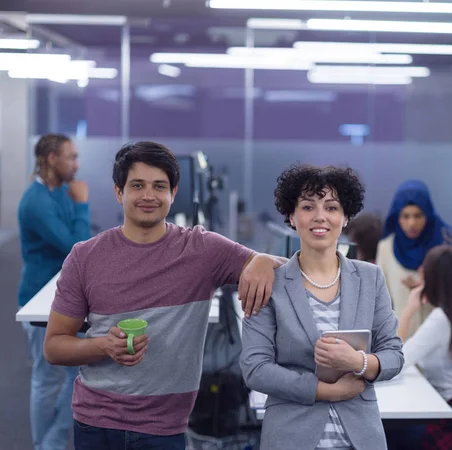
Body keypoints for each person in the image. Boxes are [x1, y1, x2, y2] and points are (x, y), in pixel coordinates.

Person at [43, 141, 284, 450]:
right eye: (137, 185)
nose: (148, 195)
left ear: (173, 193)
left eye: (159, 186)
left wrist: (261, 259)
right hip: (96, 422)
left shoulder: (202, 251)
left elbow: (283, 268)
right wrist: (104, 345)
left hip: (164, 428)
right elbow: (54, 346)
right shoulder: (85, 257)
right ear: (119, 192)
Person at [240, 165, 404, 450]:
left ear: (345, 217)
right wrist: (327, 391)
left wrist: (358, 363)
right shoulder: (270, 283)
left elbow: (393, 355)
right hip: (291, 437)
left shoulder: (370, 278)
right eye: (307, 207)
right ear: (292, 217)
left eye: (331, 207)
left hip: (360, 439)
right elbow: (256, 368)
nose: (320, 216)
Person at [18, 133, 90, 450]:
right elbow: (74, 248)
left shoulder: (58, 192)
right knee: (47, 379)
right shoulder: (36, 201)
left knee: (79, 372)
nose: (77, 163)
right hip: (39, 300)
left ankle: (53, 440)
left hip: (63, 297)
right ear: (52, 159)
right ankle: (46, 444)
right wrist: (83, 204)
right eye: (71, 157)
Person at [398, 245, 452, 450]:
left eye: (425, 269)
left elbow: (398, 361)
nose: (420, 270)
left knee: (391, 434)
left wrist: (409, 310)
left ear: (433, 278)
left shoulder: (441, 319)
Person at [377, 180, 452, 338]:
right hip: (402, 338)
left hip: (443, 339)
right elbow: (381, 298)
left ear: (428, 214)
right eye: (405, 216)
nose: (412, 223)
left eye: (418, 215)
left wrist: (432, 290)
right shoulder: (386, 247)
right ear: (397, 217)